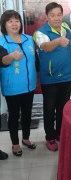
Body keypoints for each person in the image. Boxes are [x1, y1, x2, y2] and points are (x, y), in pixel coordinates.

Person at [34, 2, 71, 151]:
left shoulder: (66, 29)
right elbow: (45, 47)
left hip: (66, 77)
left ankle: (60, 133)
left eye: (59, 14)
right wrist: (58, 41)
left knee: (63, 108)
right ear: (47, 16)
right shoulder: (40, 32)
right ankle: (50, 137)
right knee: (49, 109)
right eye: (52, 15)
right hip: (50, 79)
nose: (57, 18)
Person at [0, 10, 37, 157]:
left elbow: (36, 60)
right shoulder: (2, 42)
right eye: (10, 21)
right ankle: (15, 144)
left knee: (27, 114)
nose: (14, 24)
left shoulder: (28, 39)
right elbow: (2, 61)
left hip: (29, 85)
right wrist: (11, 56)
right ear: (4, 25)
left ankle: (26, 138)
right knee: (14, 115)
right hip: (12, 87)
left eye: (17, 20)